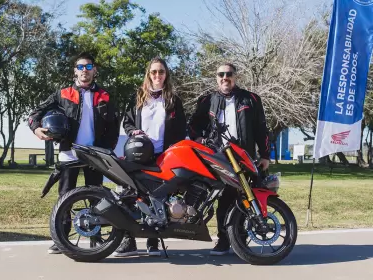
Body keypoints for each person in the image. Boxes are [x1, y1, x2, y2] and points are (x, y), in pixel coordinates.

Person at [27, 52, 120, 254]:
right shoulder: (63, 93)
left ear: (94, 71)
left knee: (97, 196)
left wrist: (108, 147)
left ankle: (97, 240)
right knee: (65, 197)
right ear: (74, 71)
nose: (84, 71)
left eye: (88, 67)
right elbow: (36, 112)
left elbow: (114, 125)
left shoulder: (105, 96)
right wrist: (35, 128)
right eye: (80, 67)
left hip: (95, 154)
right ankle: (61, 238)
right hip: (69, 153)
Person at [187, 62, 270, 256]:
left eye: (229, 74)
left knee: (245, 198)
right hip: (217, 157)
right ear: (216, 78)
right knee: (222, 200)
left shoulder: (251, 99)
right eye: (221, 74)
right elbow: (194, 124)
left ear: (235, 76)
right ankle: (224, 240)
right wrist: (198, 138)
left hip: (244, 157)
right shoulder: (207, 100)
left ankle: (240, 240)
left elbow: (261, 129)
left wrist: (265, 155)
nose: (225, 77)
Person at [113, 57, 187, 257]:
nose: (157, 75)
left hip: (163, 156)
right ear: (148, 74)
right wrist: (133, 132)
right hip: (138, 153)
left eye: (161, 71)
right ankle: (128, 241)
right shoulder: (138, 96)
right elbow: (127, 121)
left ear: (166, 74)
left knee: (158, 197)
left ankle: (153, 242)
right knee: (128, 194)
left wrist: (174, 149)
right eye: (153, 72)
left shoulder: (173, 99)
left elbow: (181, 129)